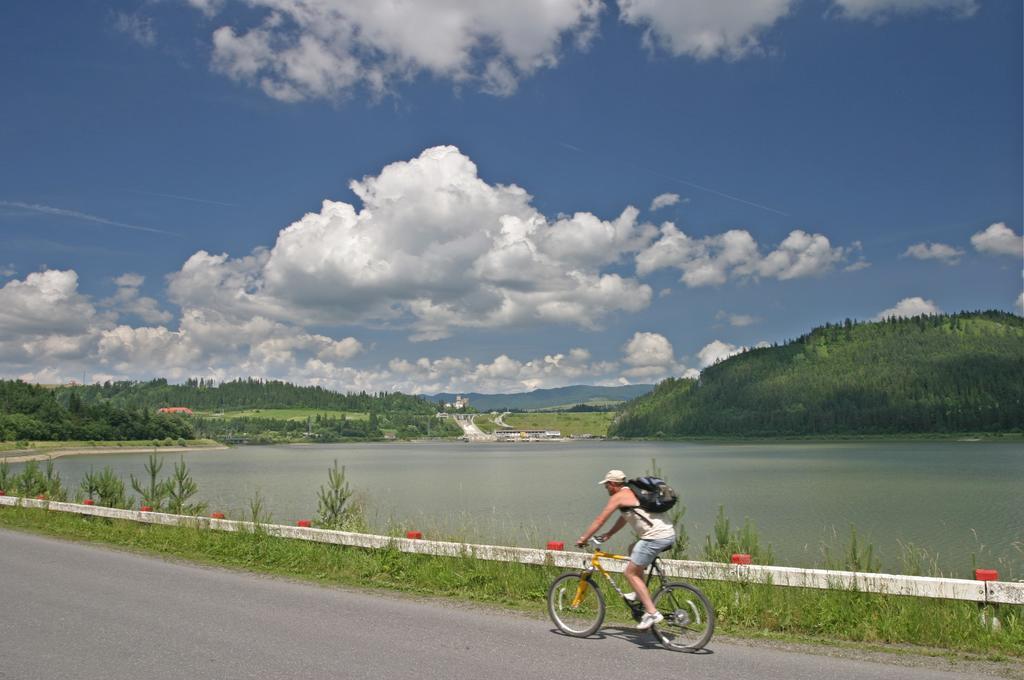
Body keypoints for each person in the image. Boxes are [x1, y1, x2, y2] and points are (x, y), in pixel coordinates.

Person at [576, 469, 676, 630]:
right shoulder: (632, 492)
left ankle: (652, 613)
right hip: (667, 533)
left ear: (613, 484)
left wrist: (583, 538)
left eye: (607, 485)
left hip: (655, 537)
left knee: (629, 572)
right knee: (633, 549)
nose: (606, 489)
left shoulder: (619, 497)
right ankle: (639, 593)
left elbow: (600, 520)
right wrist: (609, 534)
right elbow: (625, 517)